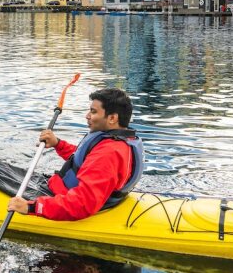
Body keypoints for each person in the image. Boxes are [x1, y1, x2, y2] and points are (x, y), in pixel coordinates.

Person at [8, 88, 143, 221]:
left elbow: (81, 204)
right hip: (75, 192)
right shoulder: (117, 141)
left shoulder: (109, 153)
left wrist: (31, 207)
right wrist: (58, 144)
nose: (87, 116)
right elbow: (87, 161)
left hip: (64, 197)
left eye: (93, 111)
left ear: (112, 118)